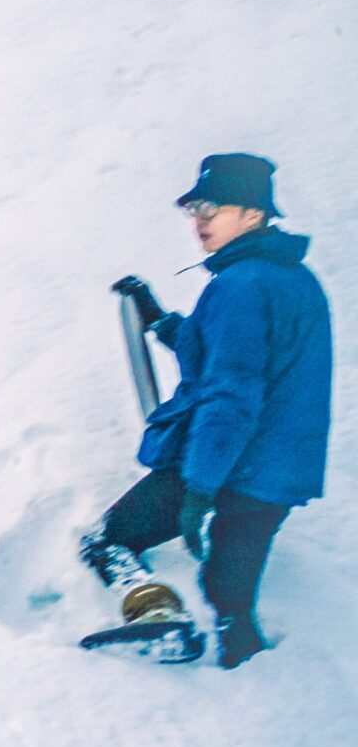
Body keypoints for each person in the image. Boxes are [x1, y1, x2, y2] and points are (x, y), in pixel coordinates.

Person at [87, 154, 332, 668]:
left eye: (212, 208)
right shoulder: (293, 279)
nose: (199, 220)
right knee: (230, 601)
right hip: (275, 476)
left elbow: (230, 395)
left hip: (225, 464)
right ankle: (252, 687)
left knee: (107, 541)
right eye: (194, 208)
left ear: (252, 214)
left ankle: (158, 616)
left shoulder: (239, 285)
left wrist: (199, 487)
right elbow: (228, 358)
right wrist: (160, 320)